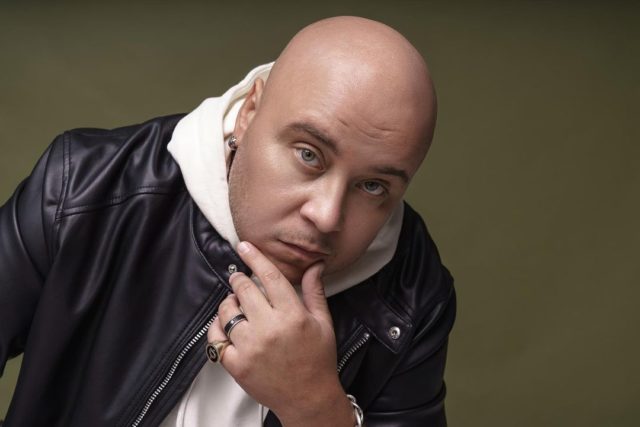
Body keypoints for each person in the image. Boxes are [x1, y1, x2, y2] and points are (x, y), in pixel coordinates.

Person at [0, 16, 455, 427]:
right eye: (308, 155)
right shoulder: (87, 186)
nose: (326, 215)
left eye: (373, 186)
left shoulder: (412, 290)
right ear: (249, 112)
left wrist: (315, 407)